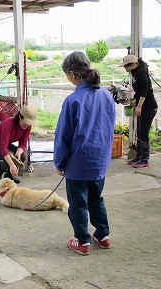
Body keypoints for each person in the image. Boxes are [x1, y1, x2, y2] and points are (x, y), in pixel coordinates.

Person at [54, 51, 115, 256]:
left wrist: (59, 162)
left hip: (77, 163)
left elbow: (64, 136)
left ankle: (82, 241)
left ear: (72, 74)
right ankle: (103, 235)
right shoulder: (106, 95)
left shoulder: (73, 100)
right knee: (96, 198)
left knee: (78, 202)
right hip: (99, 161)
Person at [119, 54, 158, 168]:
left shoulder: (141, 73)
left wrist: (139, 105)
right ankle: (139, 156)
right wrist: (135, 101)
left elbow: (145, 90)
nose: (125, 69)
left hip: (149, 107)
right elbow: (139, 90)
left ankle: (145, 159)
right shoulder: (135, 73)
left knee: (143, 133)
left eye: (126, 66)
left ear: (133, 64)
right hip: (143, 106)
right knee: (139, 133)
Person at [0, 105, 37, 184]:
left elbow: (23, 143)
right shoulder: (8, 124)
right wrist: (12, 165)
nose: (27, 125)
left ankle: (8, 175)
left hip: (4, 144)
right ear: (20, 117)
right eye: (26, 122)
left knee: (22, 156)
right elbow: (3, 147)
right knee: (11, 158)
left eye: (29, 123)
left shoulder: (27, 126)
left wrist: (18, 152)